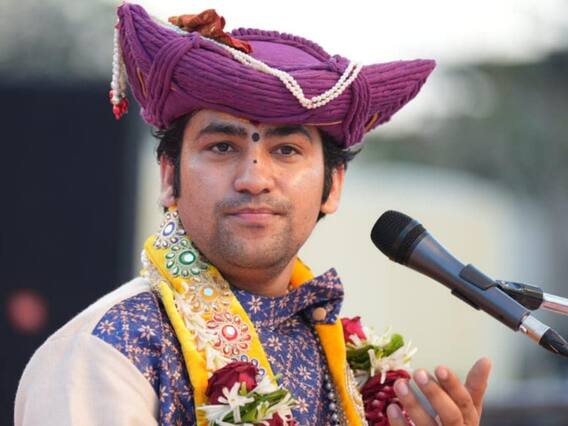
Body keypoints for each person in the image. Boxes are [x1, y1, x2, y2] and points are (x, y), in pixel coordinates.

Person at [15, 3, 491, 426]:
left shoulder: (346, 361)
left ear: (333, 185)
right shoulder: (108, 352)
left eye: (286, 150)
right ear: (169, 176)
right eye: (222, 147)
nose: (254, 178)